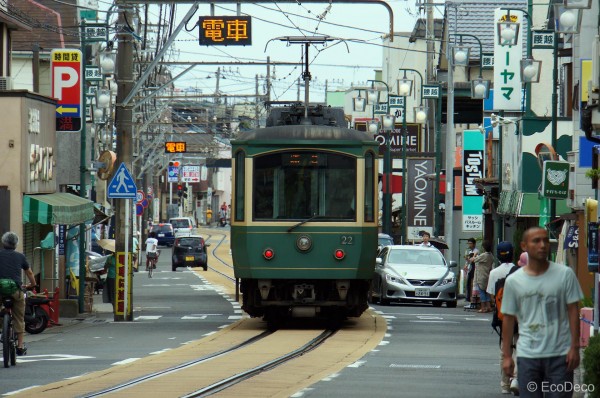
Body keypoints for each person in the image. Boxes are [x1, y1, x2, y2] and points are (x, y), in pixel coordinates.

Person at [502, 227, 583, 397]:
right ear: (524, 246)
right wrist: (507, 356)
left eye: (545, 240)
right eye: (536, 241)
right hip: (527, 356)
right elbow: (508, 319)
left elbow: (573, 311)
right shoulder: (513, 281)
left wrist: (574, 347)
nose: (542, 245)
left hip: (560, 355)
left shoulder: (565, 275)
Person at [486, 241, 519, 394]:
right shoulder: (520, 271)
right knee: (519, 349)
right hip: (519, 318)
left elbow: (492, 296)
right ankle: (516, 379)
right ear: (512, 253)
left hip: (503, 317)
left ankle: (504, 384)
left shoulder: (494, 273)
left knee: (505, 351)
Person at [0, 232, 37, 356]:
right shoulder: (20, 256)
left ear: (3, 242)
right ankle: (20, 347)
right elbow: (30, 273)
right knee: (19, 318)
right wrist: (32, 284)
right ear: (16, 244)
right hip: (16, 290)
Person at [473, 240, 494, 313]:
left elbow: (474, 260)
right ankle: (488, 307)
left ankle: (483, 308)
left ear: (484, 247)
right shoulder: (491, 255)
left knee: (481, 291)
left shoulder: (483, 255)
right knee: (486, 291)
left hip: (481, 276)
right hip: (487, 275)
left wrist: (474, 255)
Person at [464, 237, 479, 304]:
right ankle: (468, 296)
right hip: (470, 267)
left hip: (475, 267)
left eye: (470, 243)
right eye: (468, 243)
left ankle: (472, 297)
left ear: (474, 244)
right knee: (468, 282)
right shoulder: (469, 251)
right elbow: (468, 260)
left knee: (473, 282)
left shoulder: (476, 251)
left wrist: (468, 259)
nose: (469, 245)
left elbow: (473, 259)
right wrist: (466, 264)